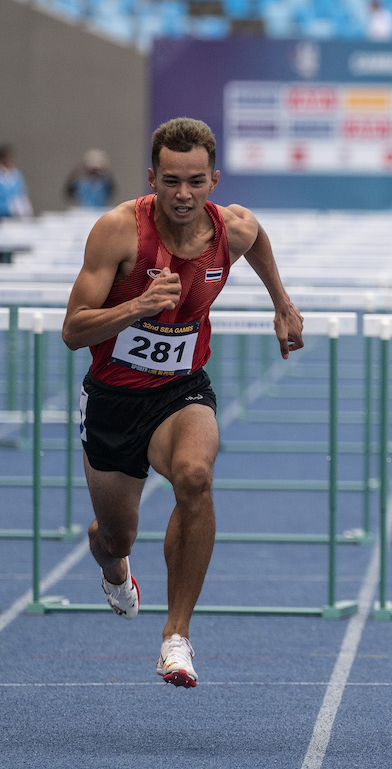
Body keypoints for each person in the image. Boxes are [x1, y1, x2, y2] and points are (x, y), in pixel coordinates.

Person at [61, 117, 304, 687]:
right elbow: (74, 330)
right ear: (152, 178)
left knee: (195, 477)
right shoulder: (118, 231)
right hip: (114, 399)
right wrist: (136, 308)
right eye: (171, 181)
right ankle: (112, 561)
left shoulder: (231, 230)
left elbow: (259, 240)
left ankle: (176, 635)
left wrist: (282, 305)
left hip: (181, 389)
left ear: (214, 180)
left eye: (196, 181)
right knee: (116, 535)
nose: (183, 194)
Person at [0, 143, 34, 219]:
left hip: (15, 217)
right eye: (5, 157)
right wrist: (7, 207)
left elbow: (22, 194)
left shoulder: (16, 174)